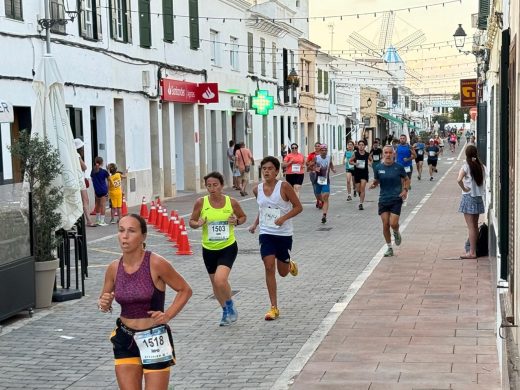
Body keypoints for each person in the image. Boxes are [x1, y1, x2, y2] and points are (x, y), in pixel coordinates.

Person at [98, 214, 192, 390]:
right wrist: (104, 303)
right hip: (125, 338)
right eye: (121, 230)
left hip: (154, 337)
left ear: (143, 236)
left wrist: (168, 315)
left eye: (131, 231)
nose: (124, 236)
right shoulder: (114, 268)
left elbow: (185, 289)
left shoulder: (156, 263)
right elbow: (103, 300)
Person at [248, 156, 303, 321]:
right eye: (264, 168)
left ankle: (289, 264)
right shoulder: (256, 189)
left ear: (277, 171)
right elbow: (263, 209)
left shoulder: (284, 186)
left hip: (283, 234)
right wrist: (255, 224)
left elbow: (298, 207)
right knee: (268, 266)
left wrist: (283, 218)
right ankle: (273, 307)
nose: (266, 171)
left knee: (283, 272)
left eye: (270, 168)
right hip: (266, 233)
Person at [189, 172, 246, 326]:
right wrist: (198, 223)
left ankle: (229, 305)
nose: (212, 188)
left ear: (221, 185)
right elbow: (191, 222)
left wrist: (236, 221)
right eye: (209, 185)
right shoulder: (201, 202)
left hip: (227, 246)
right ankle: (225, 311)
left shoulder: (231, 202)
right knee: (215, 283)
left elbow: (242, 217)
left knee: (221, 280)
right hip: (208, 248)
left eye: (215, 185)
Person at [369, 145, 409, 257]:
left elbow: (406, 179)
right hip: (383, 199)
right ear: (383, 154)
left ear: (394, 154)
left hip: (396, 199)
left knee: (393, 223)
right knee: (385, 224)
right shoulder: (378, 167)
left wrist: (405, 190)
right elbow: (376, 180)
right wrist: (374, 184)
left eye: (390, 153)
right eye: (386, 153)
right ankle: (389, 248)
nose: (388, 155)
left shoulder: (399, 167)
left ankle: (396, 232)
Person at [457, 145, 486, 259]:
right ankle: (475, 249)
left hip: (469, 197)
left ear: (466, 154)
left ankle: (472, 252)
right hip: (478, 198)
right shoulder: (481, 166)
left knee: (471, 227)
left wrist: (464, 188)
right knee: (474, 225)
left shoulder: (466, 166)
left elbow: (459, 180)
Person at [74, 138, 95, 227]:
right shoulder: (77, 155)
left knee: (77, 200)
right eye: (82, 148)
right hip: (80, 180)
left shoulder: (71, 155)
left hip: (74, 180)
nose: (83, 150)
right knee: (85, 200)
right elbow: (84, 167)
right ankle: (89, 220)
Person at [314, 144, 336, 223]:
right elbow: (310, 167)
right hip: (318, 180)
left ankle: (324, 215)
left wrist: (333, 169)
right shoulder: (316, 158)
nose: (324, 152)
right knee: (319, 196)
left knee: (325, 196)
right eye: (322, 150)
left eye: (325, 150)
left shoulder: (329, 157)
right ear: (320, 151)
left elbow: (331, 165)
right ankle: (322, 201)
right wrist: (315, 168)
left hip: (326, 180)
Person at [349, 140, 371, 210]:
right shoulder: (355, 154)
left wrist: (370, 163)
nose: (361, 146)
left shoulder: (367, 154)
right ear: (358, 146)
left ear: (364, 146)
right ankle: (359, 194)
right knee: (358, 189)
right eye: (360, 145)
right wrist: (355, 164)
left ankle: (361, 204)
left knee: (362, 188)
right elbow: (350, 161)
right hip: (357, 173)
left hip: (364, 173)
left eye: (362, 145)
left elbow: (371, 160)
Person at [90, 156, 110, 226]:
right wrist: (108, 170)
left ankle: (97, 220)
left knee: (98, 205)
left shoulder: (93, 171)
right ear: (102, 163)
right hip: (103, 190)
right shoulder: (104, 172)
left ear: (95, 162)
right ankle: (102, 221)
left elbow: (92, 179)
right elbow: (109, 179)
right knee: (103, 205)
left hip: (96, 190)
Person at [306, 142, 323, 209]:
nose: (317, 147)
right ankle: (318, 200)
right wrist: (310, 165)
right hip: (313, 173)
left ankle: (321, 201)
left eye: (318, 146)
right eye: (316, 146)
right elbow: (307, 163)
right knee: (315, 188)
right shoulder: (311, 155)